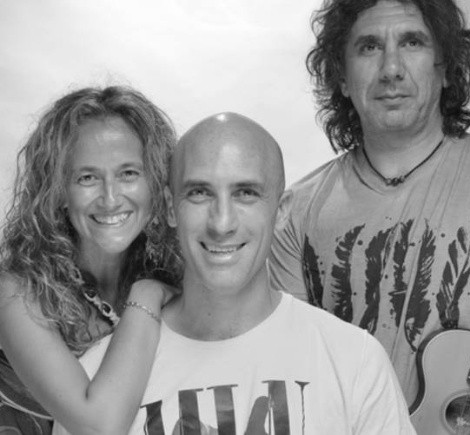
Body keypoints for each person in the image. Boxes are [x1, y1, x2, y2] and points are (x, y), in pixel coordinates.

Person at [268, 0, 470, 433]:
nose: (391, 69)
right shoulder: (295, 211)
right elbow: (289, 373)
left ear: (446, 68)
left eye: (412, 42)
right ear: (341, 77)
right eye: (369, 47)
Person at [53, 112, 415, 434]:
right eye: (199, 193)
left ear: (282, 210)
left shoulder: (353, 361)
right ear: (170, 208)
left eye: (245, 193)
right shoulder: (98, 376)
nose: (222, 223)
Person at [0, 86, 182, 435]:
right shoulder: (17, 291)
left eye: (128, 173)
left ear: (156, 182)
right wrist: (147, 295)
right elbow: (99, 427)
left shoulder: (171, 268)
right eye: (87, 178)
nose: (110, 198)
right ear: (58, 192)